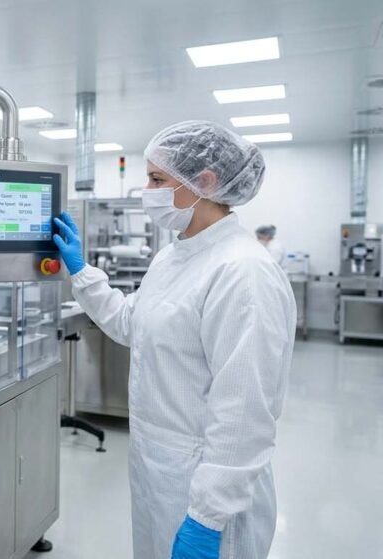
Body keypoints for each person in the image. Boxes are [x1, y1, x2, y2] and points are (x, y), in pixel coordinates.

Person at [53, 121, 296, 559]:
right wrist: (81, 271)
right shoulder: (173, 256)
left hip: (209, 491)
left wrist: (207, 519)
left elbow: (244, 412)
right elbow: (132, 322)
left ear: (205, 182)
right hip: (158, 470)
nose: (147, 191)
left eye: (156, 179)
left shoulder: (243, 271)